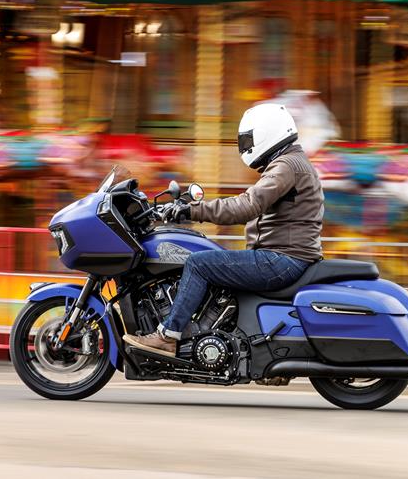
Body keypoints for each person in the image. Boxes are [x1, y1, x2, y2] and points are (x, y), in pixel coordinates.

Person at [123, 103, 324, 357]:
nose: (246, 144)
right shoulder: (291, 163)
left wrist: (192, 211)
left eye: (249, 138)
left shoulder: (287, 166)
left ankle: (168, 336)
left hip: (280, 259)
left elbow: (246, 205)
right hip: (285, 257)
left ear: (267, 132)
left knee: (198, 263)